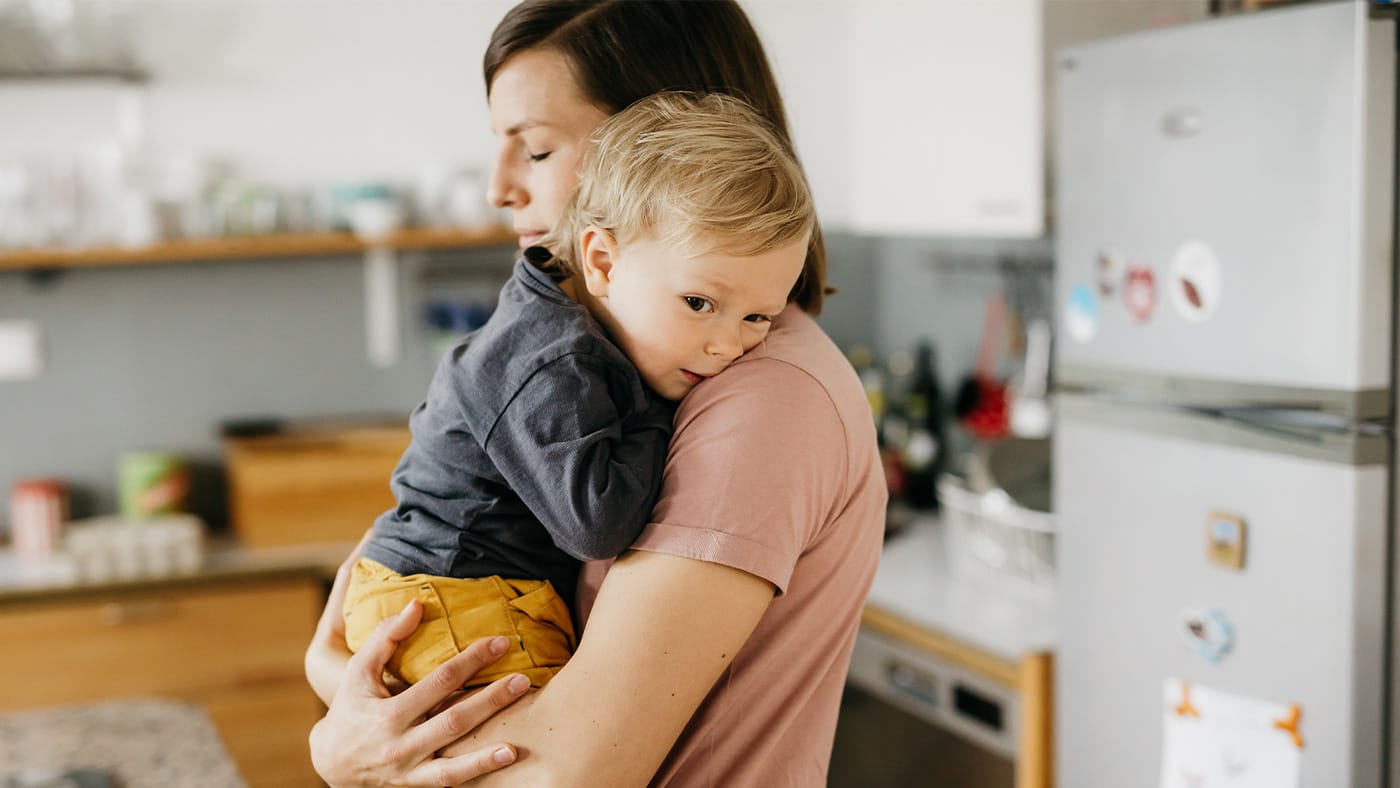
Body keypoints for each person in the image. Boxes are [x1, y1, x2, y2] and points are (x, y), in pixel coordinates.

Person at [304, 2, 886, 785]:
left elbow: (564, 775)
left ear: (664, 151)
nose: (498, 188)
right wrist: (341, 700)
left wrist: (341, 729)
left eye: (537, 149)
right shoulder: (614, 349)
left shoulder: (758, 393)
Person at [343, 89, 815, 691]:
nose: (727, 345)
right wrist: (658, 415)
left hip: (454, 592)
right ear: (604, 262)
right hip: (452, 596)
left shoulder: (580, 331)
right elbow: (596, 525)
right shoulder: (549, 362)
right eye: (700, 303)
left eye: (757, 317)